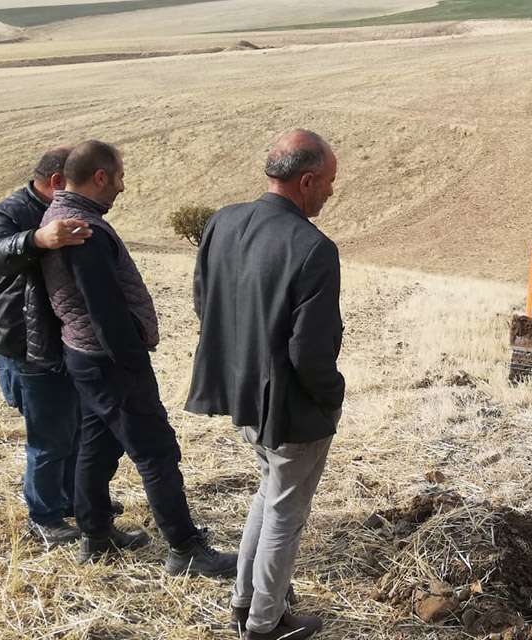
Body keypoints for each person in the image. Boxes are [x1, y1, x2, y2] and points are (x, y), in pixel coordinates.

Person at [38, 139, 237, 577]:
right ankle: (186, 550)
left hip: (86, 356)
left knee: (97, 444)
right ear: (100, 177)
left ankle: (95, 536)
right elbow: (104, 309)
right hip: (109, 360)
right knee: (157, 452)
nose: (123, 187)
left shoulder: (64, 219)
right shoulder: (80, 230)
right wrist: (131, 365)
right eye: (120, 177)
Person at [186, 129, 343, 640]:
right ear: (306, 179)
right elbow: (310, 352)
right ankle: (263, 623)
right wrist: (331, 397)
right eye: (329, 183)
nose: (331, 193)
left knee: (268, 493)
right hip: (292, 409)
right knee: (286, 513)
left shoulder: (223, 221)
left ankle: (244, 602)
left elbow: (204, 303)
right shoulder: (313, 248)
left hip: (242, 394)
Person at [0, 146, 101, 546]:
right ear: (56, 183)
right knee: (48, 438)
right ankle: (44, 517)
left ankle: (67, 501)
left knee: (76, 426)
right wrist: (37, 239)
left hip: (63, 341)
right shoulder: (7, 213)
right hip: (25, 345)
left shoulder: (70, 212)